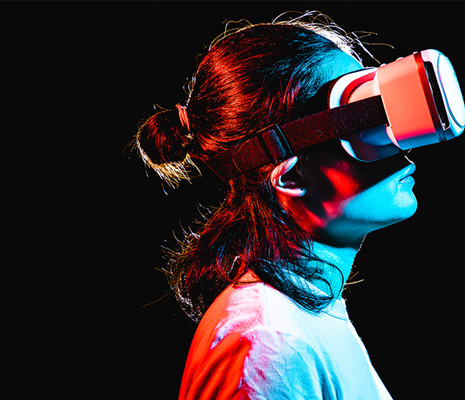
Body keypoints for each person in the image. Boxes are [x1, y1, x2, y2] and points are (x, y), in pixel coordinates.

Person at [134, 14, 421, 399]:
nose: (400, 141)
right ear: (292, 177)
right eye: (366, 125)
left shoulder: (307, 316)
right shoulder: (268, 343)